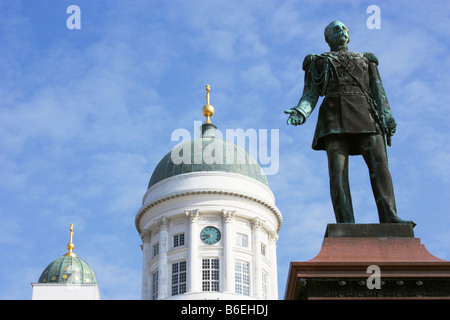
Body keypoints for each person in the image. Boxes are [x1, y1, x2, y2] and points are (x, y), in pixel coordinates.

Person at [285, 20, 415, 226]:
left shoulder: (366, 60)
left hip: (366, 115)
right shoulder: (318, 61)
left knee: (380, 166)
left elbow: (378, 92)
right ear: (327, 37)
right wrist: (301, 112)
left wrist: (387, 115)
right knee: (338, 173)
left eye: (344, 28)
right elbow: (310, 93)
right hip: (333, 117)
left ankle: (389, 216)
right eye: (335, 29)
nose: (341, 31)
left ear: (349, 35)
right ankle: (345, 223)